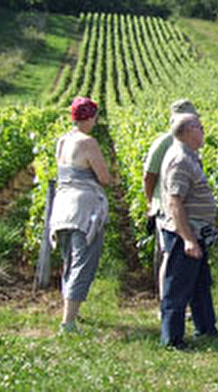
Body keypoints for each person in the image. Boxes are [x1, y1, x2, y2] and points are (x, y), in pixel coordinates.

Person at [49, 97, 111, 333]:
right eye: (94, 116)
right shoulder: (88, 143)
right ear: (89, 117)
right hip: (83, 209)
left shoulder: (63, 140)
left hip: (62, 204)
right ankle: (68, 322)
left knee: (69, 259)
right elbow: (104, 178)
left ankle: (71, 313)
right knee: (83, 261)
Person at [159, 113, 218, 349]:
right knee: (177, 287)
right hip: (185, 233)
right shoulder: (181, 160)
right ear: (188, 131)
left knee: (199, 284)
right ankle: (172, 338)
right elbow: (175, 202)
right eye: (200, 127)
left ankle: (206, 328)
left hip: (196, 232)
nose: (204, 130)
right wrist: (187, 239)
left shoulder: (190, 157)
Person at [143, 99, 199, 299]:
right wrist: (153, 202)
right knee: (169, 256)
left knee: (182, 257)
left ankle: (181, 301)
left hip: (186, 207)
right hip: (167, 207)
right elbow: (149, 176)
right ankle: (166, 302)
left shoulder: (191, 142)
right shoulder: (164, 142)